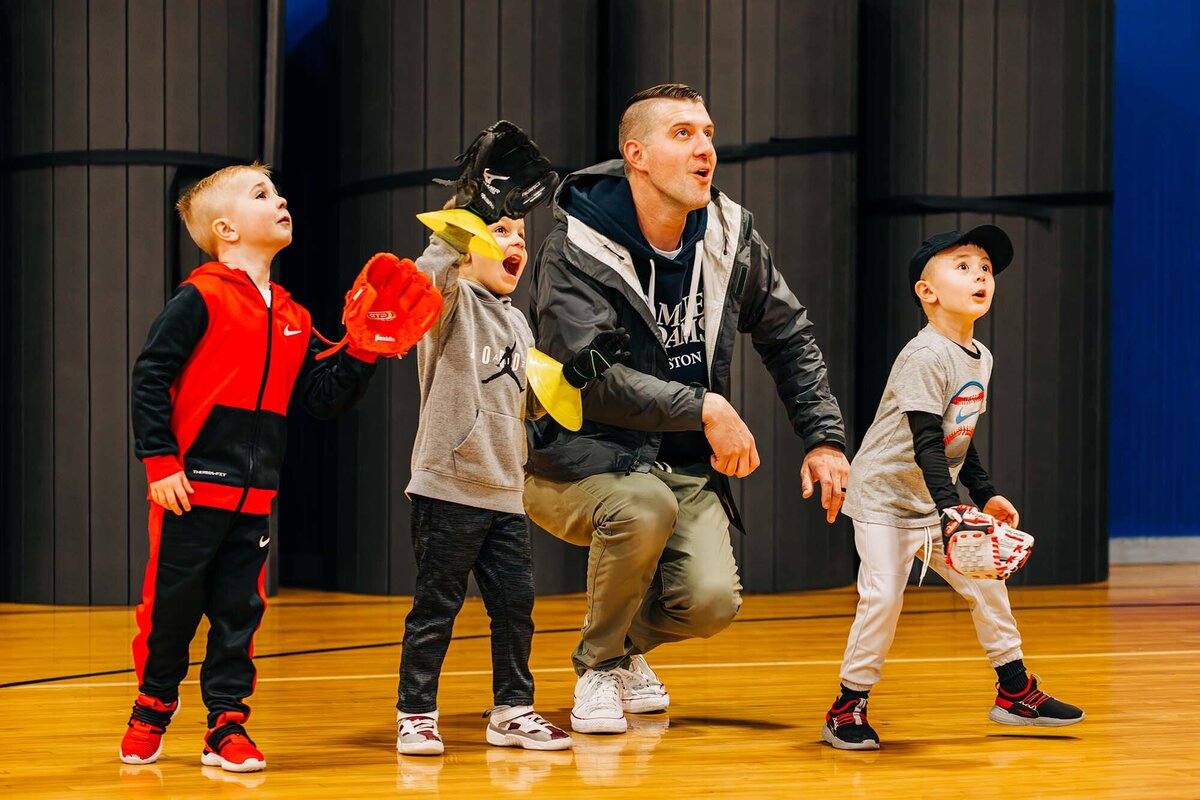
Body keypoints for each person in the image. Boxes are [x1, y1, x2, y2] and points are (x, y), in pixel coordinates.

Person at [521, 84, 850, 734]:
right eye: (682, 134)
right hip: (575, 462)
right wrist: (702, 407)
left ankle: (622, 654)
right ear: (635, 154)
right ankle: (595, 667)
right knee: (644, 506)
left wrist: (824, 438)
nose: (705, 148)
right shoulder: (575, 249)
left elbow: (788, 335)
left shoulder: (729, 234)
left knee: (709, 602)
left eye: (707, 133)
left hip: (679, 466)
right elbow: (590, 378)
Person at [120, 163, 381, 772]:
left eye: (280, 191)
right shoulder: (200, 296)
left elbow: (320, 395)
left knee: (241, 614)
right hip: (189, 490)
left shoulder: (292, 313)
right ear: (225, 228)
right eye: (262, 194)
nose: (282, 199)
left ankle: (226, 726)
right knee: (171, 611)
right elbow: (149, 377)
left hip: (254, 497)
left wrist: (366, 345)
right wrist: (160, 463)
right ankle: (152, 706)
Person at [395, 121, 628, 755]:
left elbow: (535, 400)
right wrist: (476, 206)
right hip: (448, 488)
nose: (513, 241)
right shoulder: (447, 303)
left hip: (504, 491)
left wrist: (582, 371)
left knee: (515, 609)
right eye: (500, 231)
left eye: (520, 233)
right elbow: (426, 271)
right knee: (435, 609)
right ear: (465, 245)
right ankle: (416, 712)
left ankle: (513, 709)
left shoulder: (518, 320)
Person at [822, 224, 1085, 750]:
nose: (980, 275)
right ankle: (846, 708)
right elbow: (926, 443)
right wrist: (952, 508)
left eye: (986, 267)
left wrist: (984, 494)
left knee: (987, 584)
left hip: (935, 500)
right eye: (962, 265)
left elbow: (959, 436)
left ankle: (1015, 693)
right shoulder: (924, 355)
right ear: (927, 291)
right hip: (883, 500)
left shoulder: (979, 356)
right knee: (883, 600)